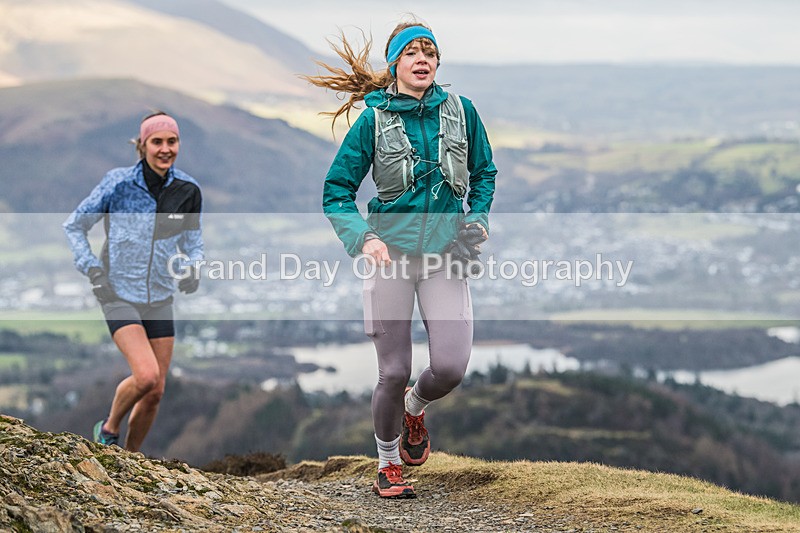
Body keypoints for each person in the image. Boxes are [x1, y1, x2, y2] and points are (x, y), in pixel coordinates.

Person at [305, 18, 497, 498]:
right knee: (392, 371)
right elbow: (336, 192)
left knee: (450, 368)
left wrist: (477, 219)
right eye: (411, 52)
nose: (422, 59)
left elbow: (484, 173)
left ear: (438, 63)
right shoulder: (372, 122)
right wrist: (364, 239)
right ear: (395, 65)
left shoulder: (463, 112)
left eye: (429, 52)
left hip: (445, 254)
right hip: (389, 258)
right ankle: (388, 463)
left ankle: (415, 408)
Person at [63, 112, 203, 452]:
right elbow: (75, 225)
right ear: (142, 145)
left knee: (155, 392)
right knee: (146, 376)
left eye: (172, 141)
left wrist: (192, 267)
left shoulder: (187, 190)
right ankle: (108, 429)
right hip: (117, 292)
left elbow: (193, 241)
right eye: (157, 142)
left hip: (160, 297)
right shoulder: (118, 184)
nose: (165, 149)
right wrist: (92, 270)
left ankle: (130, 460)